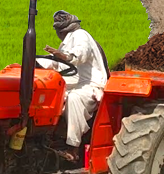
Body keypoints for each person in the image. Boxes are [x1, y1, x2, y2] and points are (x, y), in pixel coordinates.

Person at [38, 10, 110, 161]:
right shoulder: (67, 42)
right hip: (76, 83)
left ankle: (72, 148)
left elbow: (80, 53)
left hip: (92, 84)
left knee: (74, 99)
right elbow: (59, 65)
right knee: (50, 98)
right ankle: (48, 140)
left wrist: (66, 56)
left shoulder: (80, 35)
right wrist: (38, 62)